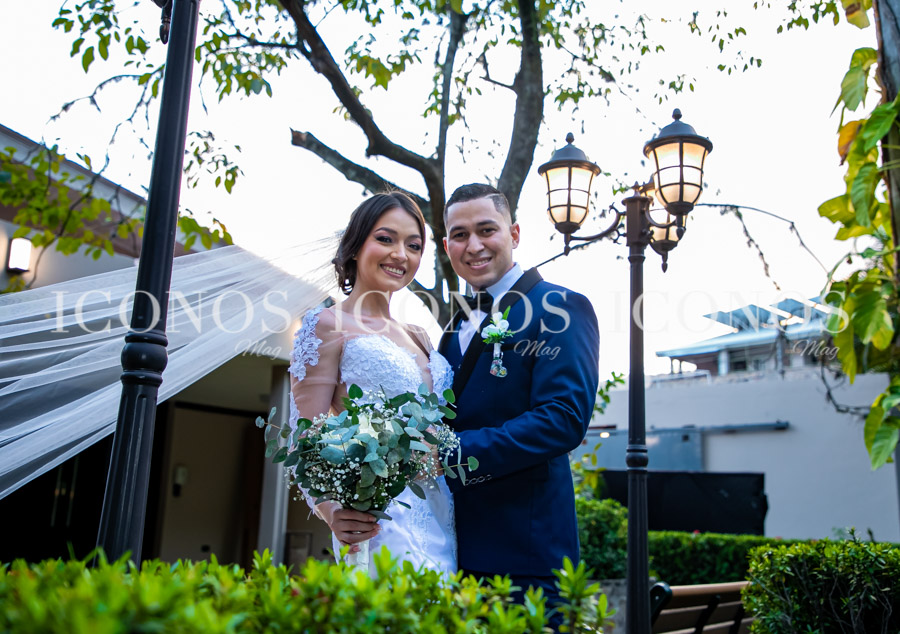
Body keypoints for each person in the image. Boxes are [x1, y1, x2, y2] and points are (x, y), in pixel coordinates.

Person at [437, 183, 600, 625]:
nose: (473, 245)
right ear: (447, 246)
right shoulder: (453, 326)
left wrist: (452, 453)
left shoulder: (560, 307)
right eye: (459, 235)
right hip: (452, 551)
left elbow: (563, 419)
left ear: (514, 234)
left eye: (486, 229)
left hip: (525, 559)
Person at [287, 191, 456, 576]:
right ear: (356, 245)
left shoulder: (419, 336)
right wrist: (332, 512)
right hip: (379, 517)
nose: (400, 254)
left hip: (441, 512)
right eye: (385, 239)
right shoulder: (327, 325)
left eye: (413, 245)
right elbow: (304, 436)